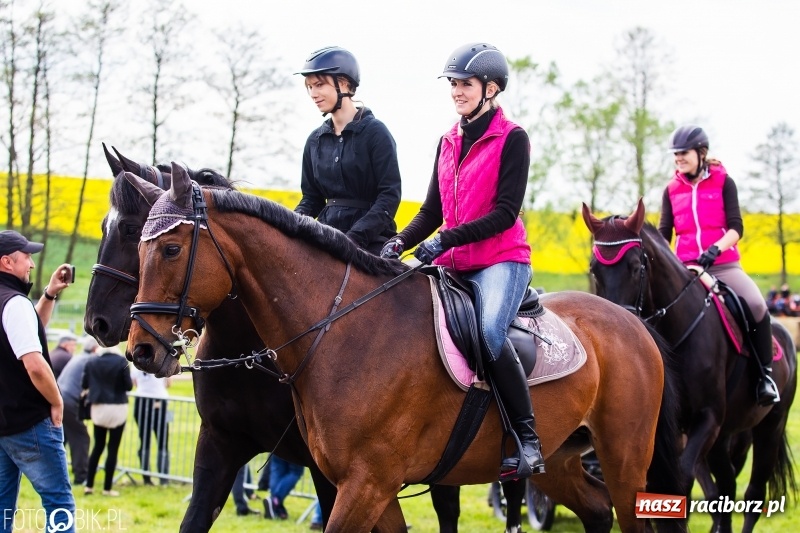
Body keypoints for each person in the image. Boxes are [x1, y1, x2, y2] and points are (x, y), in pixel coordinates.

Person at [380, 42, 545, 480]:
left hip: (502, 261)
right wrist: (399, 241)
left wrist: (444, 240)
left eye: (465, 84)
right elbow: (431, 211)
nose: (456, 91)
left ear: (491, 89)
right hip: (454, 261)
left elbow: (505, 213)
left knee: (490, 333)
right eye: (453, 84)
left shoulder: (513, 139)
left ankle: (527, 440)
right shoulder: (447, 140)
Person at [658, 124, 780, 406]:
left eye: (683, 153)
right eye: (675, 155)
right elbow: (665, 234)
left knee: (757, 304)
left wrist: (715, 249)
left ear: (701, 153)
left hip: (723, 264)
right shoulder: (671, 190)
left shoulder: (724, 182)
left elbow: (737, 227)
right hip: (686, 268)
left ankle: (765, 376)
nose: (678, 158)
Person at [0, 230, 76, 532]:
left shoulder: (11, 304)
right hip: (28, 421)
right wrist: (56, 400)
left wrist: (50, 293)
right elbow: (34, 363)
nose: (31, 264)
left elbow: (30, 329)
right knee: (59, 504)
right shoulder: (14, 303)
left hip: (3, 422)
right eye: (26, 256)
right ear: (7, 261)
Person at [294, 45, 402, 255]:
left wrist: (354, 238)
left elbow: (389, 196)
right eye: (309, 87)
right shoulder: (314, 141)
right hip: (326, 239)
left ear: (343, 83)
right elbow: (311, 199)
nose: (313, 94)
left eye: (319, 85)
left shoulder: (376, 133)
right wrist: (290, 224)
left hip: (371, 241)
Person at [82, 346, 132, 496]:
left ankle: (89, 486)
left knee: (97, 447)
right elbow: (128, 386)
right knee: (113, 449)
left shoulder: (92, 361)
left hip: (98, 407)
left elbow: (84, 384)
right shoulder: (122, 362)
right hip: (117, 407)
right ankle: (107, 488)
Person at [56, 336, 99, 485]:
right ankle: (81, 476)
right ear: (94, 349)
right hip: (68, 401)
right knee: (81, 437)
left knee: (65, 437)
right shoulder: (90, 361)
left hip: (61, 398)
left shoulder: (78, 358)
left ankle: (57, 473)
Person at [130, 367, 171, 485]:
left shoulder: (135, 363)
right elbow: (168, 383)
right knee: (163, 442)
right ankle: (164, 477)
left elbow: (135, 382)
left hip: (142, 400)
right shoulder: (161, 360)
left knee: (144, 440)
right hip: (159, 400)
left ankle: (146, 476)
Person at [263, 455, 304, 520]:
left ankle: (277, 508)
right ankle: (275, 501)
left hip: (276, 446)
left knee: (277, 471)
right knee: (296, 472)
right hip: (296, 448)